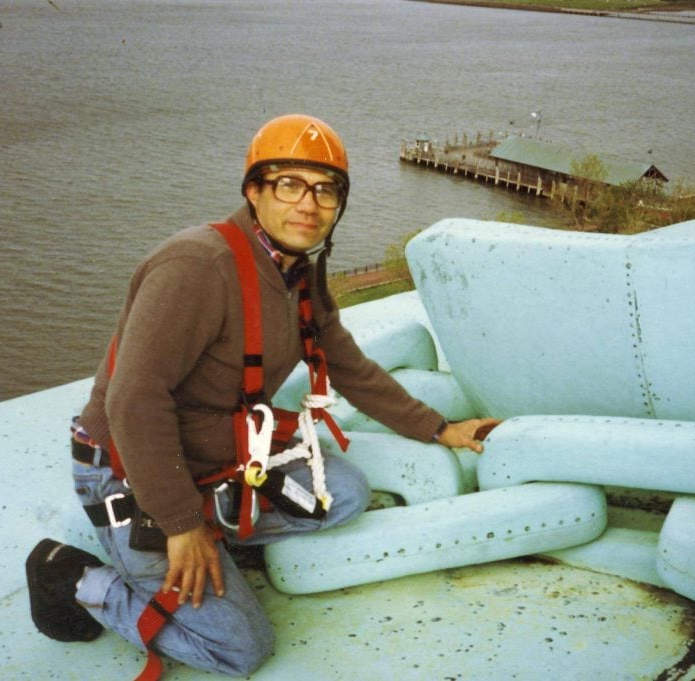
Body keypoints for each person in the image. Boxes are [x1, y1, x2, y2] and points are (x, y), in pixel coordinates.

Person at [25, 114, 499, 677]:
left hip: (217, 456)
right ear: (254, 191)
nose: (309, 205)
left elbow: (345, 362)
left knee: (342, 492)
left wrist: (440, 428)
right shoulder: (197, 267)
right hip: (128, 469)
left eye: (326, 191)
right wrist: (179, 524)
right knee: (240, 649)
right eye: (289, 185)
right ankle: (76, 577)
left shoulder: (299, 274)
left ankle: (212, 530)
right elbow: (134, 401)